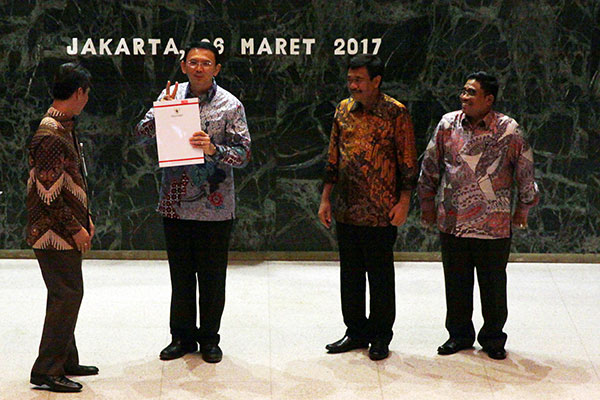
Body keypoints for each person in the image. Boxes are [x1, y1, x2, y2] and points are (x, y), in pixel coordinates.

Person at [135, 42, 251, 363]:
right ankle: (181, 338)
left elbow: (244, 154)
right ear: (184, 65)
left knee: (212, 279)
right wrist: (162, 111)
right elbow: (141, 134)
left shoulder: (230, 105)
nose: (199, 68)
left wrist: (214, 148)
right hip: (175, 203)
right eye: (193, 62)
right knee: (181, 277)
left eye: (206, 63)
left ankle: (209, 339)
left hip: (215, 206)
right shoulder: (170, 96)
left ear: (217, 68)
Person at [417, 71, 539, 360]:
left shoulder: (509, 130)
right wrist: (427, 203)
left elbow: (525, 171)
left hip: (493, 225)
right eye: (463, 91)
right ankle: (459, 335)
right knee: (456, 283)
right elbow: (431, 165)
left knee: (493, 285)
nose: (464, 97)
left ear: (489, 99)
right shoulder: (448, 124)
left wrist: (523, 207)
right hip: (453, 221)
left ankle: (493, 338)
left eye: (471, 92)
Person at [318, 54, 418, 361]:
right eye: (350, 80)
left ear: (376, 81)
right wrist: (325, 198)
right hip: (347, 208)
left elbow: (407, 161)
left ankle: (380, 335)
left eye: (359, 80)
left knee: (380, 277)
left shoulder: (395, 112)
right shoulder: (343, 110)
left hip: (381, 210)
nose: (353, 86)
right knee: (350, 276)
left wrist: (404, 201)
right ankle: (355, 331)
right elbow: (333, 156)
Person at [26, 63, 98, 393]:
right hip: (53, 233)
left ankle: (66, 359)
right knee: (66, 295)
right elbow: (48, 194)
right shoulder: (50, 135)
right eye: (87, 93)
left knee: (65, 294)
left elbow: (68, 182)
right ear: (79, 92)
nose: (87, 99)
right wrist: (75, 228)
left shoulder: (63, 126)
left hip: (61, 230)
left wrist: (85, 218)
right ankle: (47, 369)